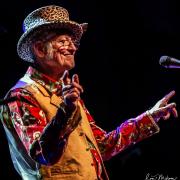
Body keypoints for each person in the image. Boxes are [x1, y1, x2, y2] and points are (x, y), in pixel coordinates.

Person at [0, 5, 178, 180]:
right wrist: (66, 110)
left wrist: (149, 117)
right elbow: (42, 153)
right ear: (39, 49)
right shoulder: (22, 96)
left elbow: (101, 146)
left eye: (73, 42)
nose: (73, 48)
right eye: (63, 41)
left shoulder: (64, 93)